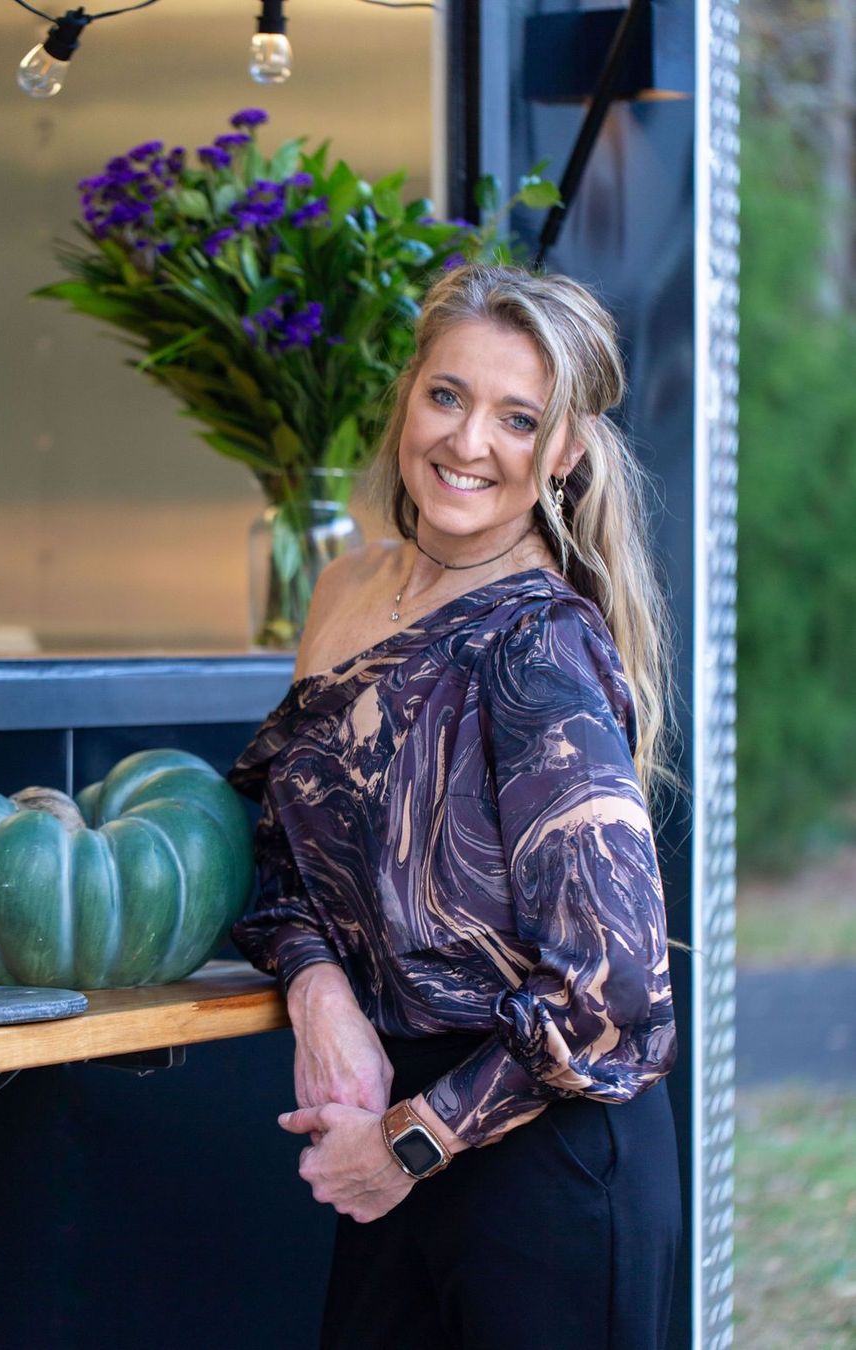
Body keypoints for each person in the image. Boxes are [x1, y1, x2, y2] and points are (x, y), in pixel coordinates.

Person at [227, 262, 683, 1350]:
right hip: (394, 1128)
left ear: (564, 451)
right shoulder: (345, 589)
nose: (469, 442)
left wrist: (413, 1143)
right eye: (448, 395)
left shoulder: (541, 648)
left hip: (539, 1161)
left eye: (518, 418)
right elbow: (285, 855)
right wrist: (319, 989)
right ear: (408, 394)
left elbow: (616, 988)